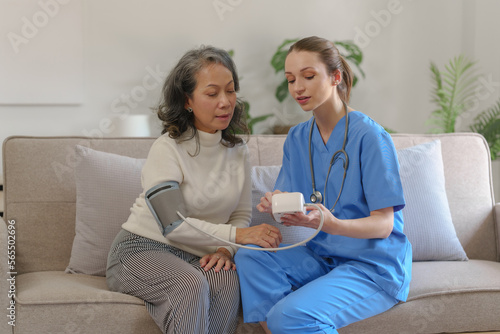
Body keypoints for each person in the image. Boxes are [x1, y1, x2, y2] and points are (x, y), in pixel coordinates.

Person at [235, 36, 412, 334]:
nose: (297, 88)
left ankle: (290, 323)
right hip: (320, 257)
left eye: (308, 76)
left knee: (289, 316)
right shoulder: (297, 138)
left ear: (335, 77)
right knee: (250, 255)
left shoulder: (370, 137)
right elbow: (293, 202)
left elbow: (383, 225)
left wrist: (330, 224)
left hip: (371, 266)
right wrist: (276, 205)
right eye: (291, 79)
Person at [106, 45, 282, 334]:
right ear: (188, 100)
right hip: (140, 250)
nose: (225, 102)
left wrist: (226, 249)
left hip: (195, 254)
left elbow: (239, 213)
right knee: (190, 284)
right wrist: (240, 236)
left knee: (226, 279)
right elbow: (174, 226)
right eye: (212, 94)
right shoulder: (167, 149)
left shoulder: (237, 152)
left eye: (231, 90)